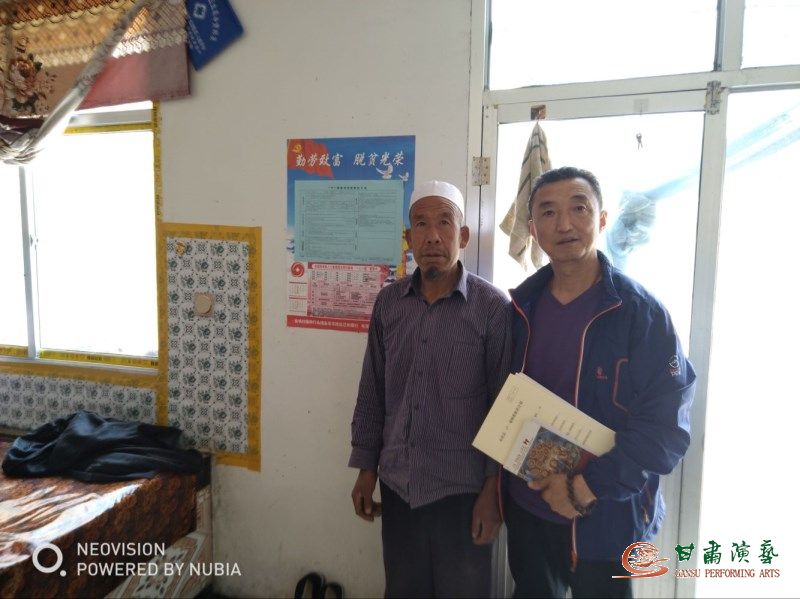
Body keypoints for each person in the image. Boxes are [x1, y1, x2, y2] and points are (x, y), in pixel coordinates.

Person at [505, 166, 695, 598]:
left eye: (579, 208)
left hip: (606, 516)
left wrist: (583, 488)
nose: (564, 224)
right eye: (548, 212)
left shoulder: (642, 314)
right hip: (529, 511)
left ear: (602, 219)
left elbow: (666, 430)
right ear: (533, 229)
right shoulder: (519, 308)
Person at [349, 180, 511, 598]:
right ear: (408, 237)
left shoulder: (492, 308)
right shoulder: (389, 303)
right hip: (399, 484)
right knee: (403, 590)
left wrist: (492, 492)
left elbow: (503, 408)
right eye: (421, 224)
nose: (433, 236)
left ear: (463, 236)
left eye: (444, 223)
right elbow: (372, 390)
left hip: (463, 491)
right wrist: (367, 469)